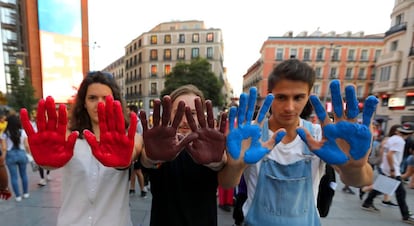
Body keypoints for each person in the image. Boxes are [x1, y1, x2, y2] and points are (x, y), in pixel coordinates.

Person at [218, 58, 378, 226]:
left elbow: (362, 181)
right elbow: (226, 183)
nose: (289, 107)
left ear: (308, 96)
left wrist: (352, 167)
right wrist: (235, 166)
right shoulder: (250, 135)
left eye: (298, 97)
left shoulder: (320, 135)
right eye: (281, 97)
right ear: (269, 95)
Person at [20, 71, 143, 226]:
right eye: (92, 98)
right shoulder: (69, 137)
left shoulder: (129, 139)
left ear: (116, 101)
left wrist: (124, 159)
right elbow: (49, 161)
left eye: (106, 98)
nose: (99, 103)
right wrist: (43, 160)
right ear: (84, 102)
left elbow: (134, 151)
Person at [139, 84, 227, 226]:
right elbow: (146, 160)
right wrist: (152, 157)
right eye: (179, 112)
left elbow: (222, 163)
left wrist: (216, 163)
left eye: (192, 113)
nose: (185, 120)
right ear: (169, 114)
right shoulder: (158, 143)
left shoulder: (212, 146)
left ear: (201, 115)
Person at [361, 123, 414, 224]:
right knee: (401, 193)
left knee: (380, 187)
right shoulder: (400, 141)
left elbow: (385, 151)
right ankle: (406, 215)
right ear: (411, 133)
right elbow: (390, 155)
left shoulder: (392, 138)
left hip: (386, 168)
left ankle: (367, 203)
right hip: (392, 170)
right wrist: (393, 169)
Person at [359, 124, 401, 206]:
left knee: (387, 183)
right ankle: (365, 190)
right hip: (387, 165)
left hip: (389, 165)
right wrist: (383, 163)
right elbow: (383, 153)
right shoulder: (389, 140)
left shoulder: (393, 140)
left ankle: (386, 199)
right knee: (385, 183)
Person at [1, 114, 31, 202]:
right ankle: (26, 193)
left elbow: (4, 148)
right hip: (21, 154)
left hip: (10, 155)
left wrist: (3, 156)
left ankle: (18, 196)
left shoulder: (4, 134)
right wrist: (29, 154)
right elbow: (26, 145)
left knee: (14, 177)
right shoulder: (23, 132)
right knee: (24, 175)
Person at [127, 104, 147, 197]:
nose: (126, 112)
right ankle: (132, 188)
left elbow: (141, 134)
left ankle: (143, 189)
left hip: (137, 148)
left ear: (132, 111)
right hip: (131, 148)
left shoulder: (138, 122)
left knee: (138, 171)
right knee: (133, 170)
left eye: (128, 110)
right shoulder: (130, 121)